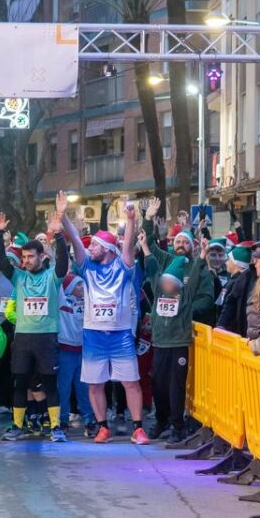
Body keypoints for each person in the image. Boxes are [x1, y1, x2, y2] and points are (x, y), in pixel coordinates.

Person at [58, 191, 149, 445]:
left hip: (120, 335)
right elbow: (75, 240)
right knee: (95, 385)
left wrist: (131, 221)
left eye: (95, 246)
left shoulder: (122, 266)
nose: (90, 248)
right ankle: (102, 427)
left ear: (108, 249)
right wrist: (62, 216)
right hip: (93, 335)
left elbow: (129, 248)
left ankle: (138, 428)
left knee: (130, 382)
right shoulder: (87, 268)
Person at [0, 211, 69, 442]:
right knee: (19, 383)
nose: (25, 261)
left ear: (41, 256)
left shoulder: (52, 277)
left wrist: (58, 235)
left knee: (49, 384)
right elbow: (1, 261)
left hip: (46, 338)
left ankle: (55, 427)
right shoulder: (19, 277)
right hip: (23, 338)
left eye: (30, 257)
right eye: (23, 257)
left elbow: (64, 263)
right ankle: (17, 426)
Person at [142, 235, 206, 443]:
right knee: (159, 384)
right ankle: (162, 421)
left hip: (179, 344)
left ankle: (177, 425)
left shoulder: (186, 294)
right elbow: (151, 263)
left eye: (172, 282)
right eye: (165, 280)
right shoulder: (157, 286)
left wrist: (202, 256)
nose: (167, 284)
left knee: (176, 386)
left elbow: (195, 275)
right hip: (160, 343)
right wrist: (144, 244)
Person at [56, 273, 94, 434]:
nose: (82, 287)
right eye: (78, 285)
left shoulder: (88, 302)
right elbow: (57, 280)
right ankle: (62, 421)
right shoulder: (62, 302)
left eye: (82, 284)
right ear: (70, 287)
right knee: (63, 389)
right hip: (65, 351)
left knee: (84, 389)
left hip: (84, 351)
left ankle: (89, 421)